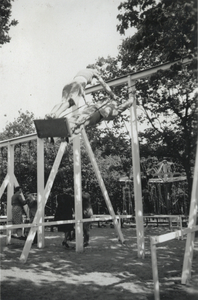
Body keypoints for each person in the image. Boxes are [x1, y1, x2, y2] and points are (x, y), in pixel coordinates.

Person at [47, 68, 118, 119]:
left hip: (69, 84)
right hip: (79, 84)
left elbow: (81, 91)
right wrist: (112, 94)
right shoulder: (95, 72)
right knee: (70, 102)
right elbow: (104, 85)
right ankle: (56, 115)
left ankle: (50, 113)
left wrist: (85, 101)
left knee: (62, 101)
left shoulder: (83, 71)